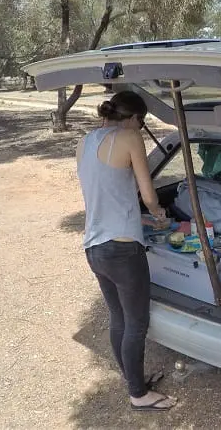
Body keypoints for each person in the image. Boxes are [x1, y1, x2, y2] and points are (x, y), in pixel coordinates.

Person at [76, 90, 177, 411]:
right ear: (134, 118)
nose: (141, 127)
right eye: (142, 121)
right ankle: (138, 395)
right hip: (122, 248)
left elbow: (109, 187)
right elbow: (148, 195)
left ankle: (132, 380)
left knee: (118, 318)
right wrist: (159, 215)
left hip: (94, 247)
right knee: (136, 324)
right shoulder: (131, 137)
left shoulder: (85, 142)